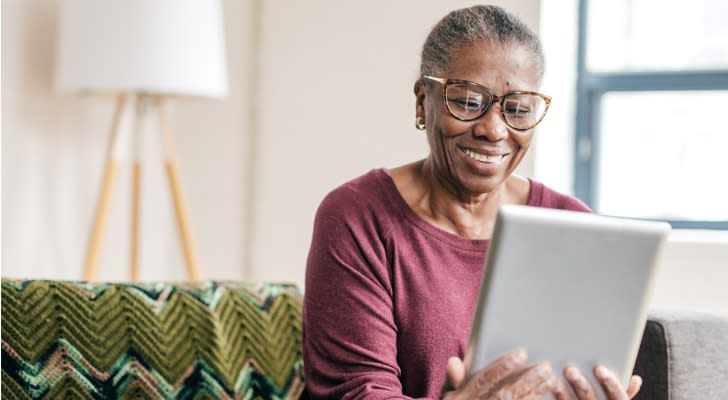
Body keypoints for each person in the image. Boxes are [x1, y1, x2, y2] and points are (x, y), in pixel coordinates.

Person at [302, 5, 642, 400]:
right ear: (421, 101)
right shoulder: (358, 216)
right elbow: (357, 392)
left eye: (517, 110)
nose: (494, 130)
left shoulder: (574, 225)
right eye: (466, 101)